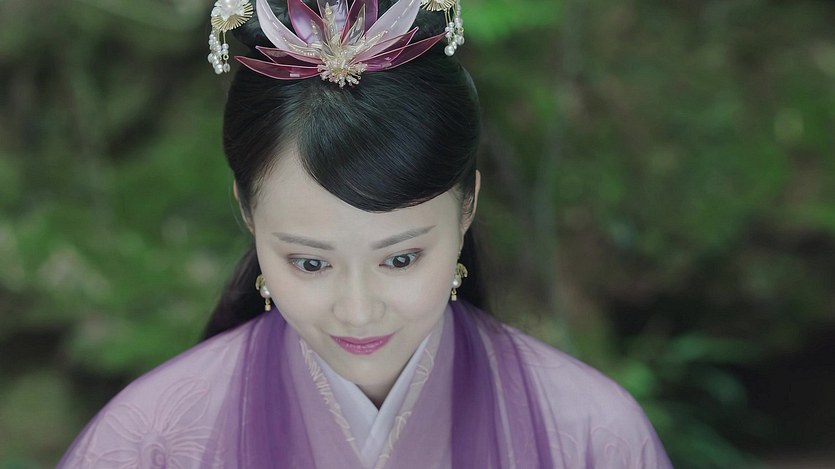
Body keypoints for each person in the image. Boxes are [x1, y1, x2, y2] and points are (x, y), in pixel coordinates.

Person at [58, 0, 673, 467]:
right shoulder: (150, 443)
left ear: (467, 207)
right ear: (246, 211)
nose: (357, 311)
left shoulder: (591, 436)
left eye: (401, 258)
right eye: (310, 263)